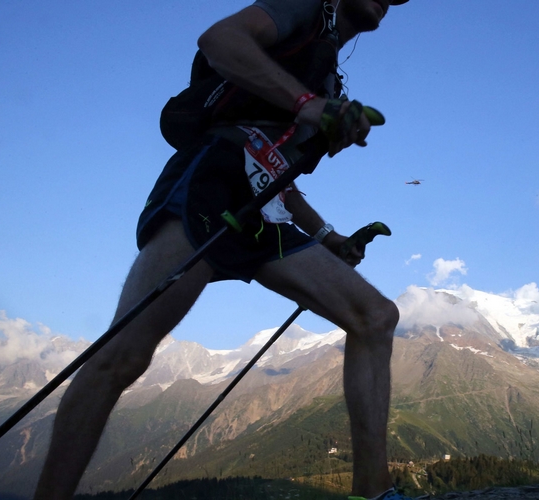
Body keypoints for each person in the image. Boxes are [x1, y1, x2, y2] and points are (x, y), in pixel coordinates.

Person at [33, 1, 413, 500]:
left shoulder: (329, 78)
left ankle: (373, 492)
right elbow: (218, 39)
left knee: (376, 317)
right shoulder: (300, 7)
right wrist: (308, 105)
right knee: (122, 357)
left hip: (263, 208)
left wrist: (326, 237)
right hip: (212, 182)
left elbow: (280, 172)